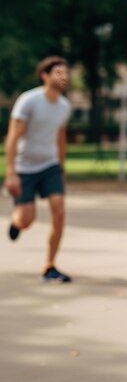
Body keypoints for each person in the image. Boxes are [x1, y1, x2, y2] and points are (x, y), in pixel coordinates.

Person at [3, 56, 72, 283]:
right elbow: (13, 136)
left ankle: (50, 266)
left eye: (66, 73)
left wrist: (61, 167)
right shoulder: (29, 100)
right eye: (59, 73)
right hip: (25, 167)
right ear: (45, 75)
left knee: (59, 211)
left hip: (50, 165)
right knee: (27, 220)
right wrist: (10, 172)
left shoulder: (64, 106)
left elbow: (60, 138)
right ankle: (16, 222)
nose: (64, 77)